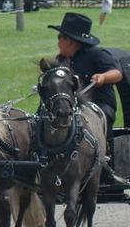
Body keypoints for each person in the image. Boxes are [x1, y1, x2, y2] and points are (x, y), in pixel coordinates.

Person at [48, 12, 123, 179]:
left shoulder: (97, 54)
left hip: (100, 104)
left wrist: (103, 77)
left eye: (60, 36)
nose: (57, 41)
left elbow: (117, 74)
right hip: (70, 105)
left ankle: (106, 159)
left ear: (70, 41)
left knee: (98, 119)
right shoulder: (60, 60)